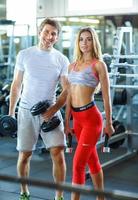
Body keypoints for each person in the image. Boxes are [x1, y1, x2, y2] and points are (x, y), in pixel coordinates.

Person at [9, 18, 70, 200]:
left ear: (57, 37)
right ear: (39, 32)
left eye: (53, 34)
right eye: (46, 32)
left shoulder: (61, 59)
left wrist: (54, 109)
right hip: (27, 111)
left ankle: (59, 196)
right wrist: (11, 113)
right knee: (25, 154)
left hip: (50, 111)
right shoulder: (25, 54)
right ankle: (24, 192)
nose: (49, 37)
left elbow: (67, 89)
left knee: (58, 153)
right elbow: (16, 85)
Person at [64, 27, 114, 200]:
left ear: (94, 42)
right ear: (77, 43)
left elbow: (107, 96)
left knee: (78, 165)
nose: (84, 43)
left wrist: (109, 123)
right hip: (77, 120)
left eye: (88, 39)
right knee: (92, 162)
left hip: (92, 119)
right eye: (81, 39)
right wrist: (66, 122)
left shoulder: (99, 65)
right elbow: (69, 95)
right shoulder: (72, 66)